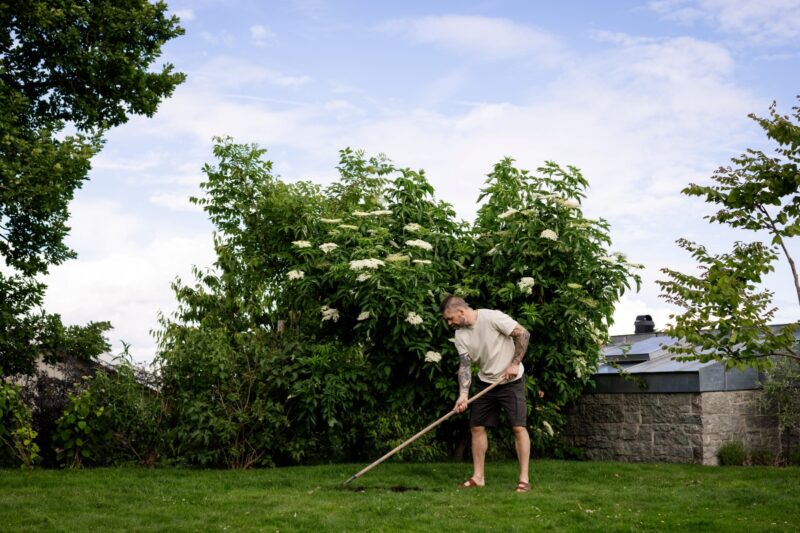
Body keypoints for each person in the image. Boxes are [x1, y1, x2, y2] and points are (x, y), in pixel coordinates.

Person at [440, 294, 531, 493]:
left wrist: (514, 364)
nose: (449, 323)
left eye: (450, 318)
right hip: (486, 382)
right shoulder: (460, 335)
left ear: (461, 311)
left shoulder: (492, 318)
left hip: (511, 381)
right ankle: (478, 477)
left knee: (518, 427)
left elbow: (523, 334)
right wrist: (463, 394)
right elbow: (465, 366)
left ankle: (524, 480)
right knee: (477, 427)